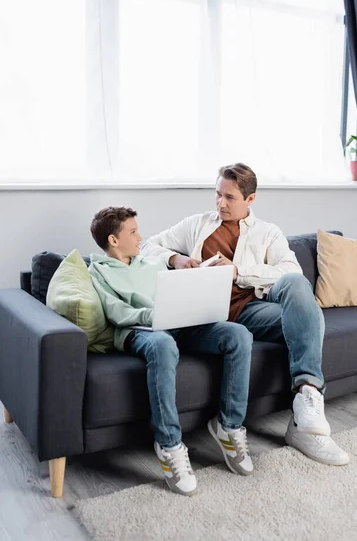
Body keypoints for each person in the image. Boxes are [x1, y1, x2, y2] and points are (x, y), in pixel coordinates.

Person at [141, 163, 350, 466]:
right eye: (217, 195)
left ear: (250, 199)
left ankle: (308, 394)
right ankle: (304, 410)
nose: (221, 203)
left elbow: (290, 271)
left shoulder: (268, 233)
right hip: (207, 315)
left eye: (229, 197)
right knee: (311, 321)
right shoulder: (196, 224)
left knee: (297, 291)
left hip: (250, 311)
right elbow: (148, 246)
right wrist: (176, 258)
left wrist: (239, 272)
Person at [88, 206, 255, 497]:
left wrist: (195, 290)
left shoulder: (150, 262)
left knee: (237, 334)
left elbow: (177, 288)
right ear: (114, 240)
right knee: (164, 345)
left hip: (179, 322)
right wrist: (156, 316)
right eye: (133, 232)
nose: (140, 237)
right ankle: (169, 445)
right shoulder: (98, 271)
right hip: (141, 332)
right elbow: (117, 312)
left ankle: (230, 427)